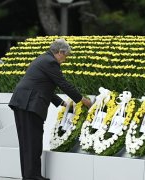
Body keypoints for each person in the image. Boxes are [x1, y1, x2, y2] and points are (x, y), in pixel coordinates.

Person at [9, 38, 92, 180]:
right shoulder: (50, 62)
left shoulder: (43, 59)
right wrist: (82, 100)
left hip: (22, 102)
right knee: (33, 141)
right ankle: (32, 176)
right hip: (30, 104)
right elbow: (63, 84)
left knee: (27, 142)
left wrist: (62, 103)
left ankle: (30, 176)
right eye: (65, 56)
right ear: (60, 52)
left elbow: (43, 86)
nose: (64, 60)